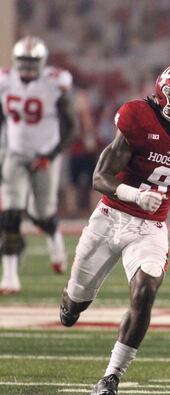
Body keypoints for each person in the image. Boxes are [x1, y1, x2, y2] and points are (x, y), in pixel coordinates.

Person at [58, 63, 170, 395]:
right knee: (73, 307)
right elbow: (100, 177)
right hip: (110, 217)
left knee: (146, 290)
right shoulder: (137, 118)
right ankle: (72, 303)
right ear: (164, 97)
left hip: (151, 227)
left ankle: (111, 376)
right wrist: (133, 195)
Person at [0, 36, 77, 293]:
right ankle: (10, 277)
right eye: (23, 61)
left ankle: (55, 240)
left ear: (42, 62)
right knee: (10, 213)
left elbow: (71, 126)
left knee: (40, 214)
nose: (27, 66)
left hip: (45, 155)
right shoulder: (5, 81)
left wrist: (52, 154)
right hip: (15, 153)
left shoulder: (54, 83)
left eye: (32, 61)